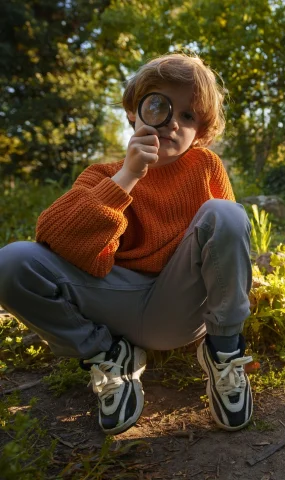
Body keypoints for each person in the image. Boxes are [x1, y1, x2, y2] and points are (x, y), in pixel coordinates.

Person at [0, 53, 254, 434]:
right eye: (159, 106)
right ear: (134, 113)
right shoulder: (103, 175)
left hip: (179, 307)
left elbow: (226, 248)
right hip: (112, 302)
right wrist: (127, 177)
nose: (172, 122)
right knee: (11, 261)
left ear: (200, 133)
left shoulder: (206, 167)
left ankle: (224, 352)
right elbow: (56, 237)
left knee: (227, 214)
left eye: (188, 116)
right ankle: (108, 354)